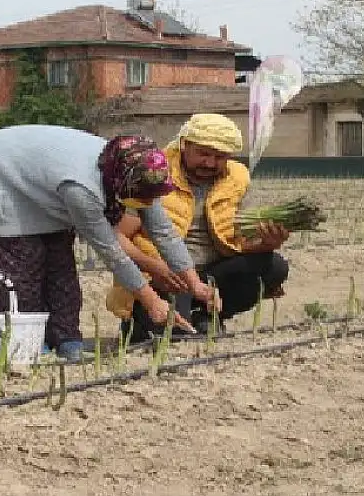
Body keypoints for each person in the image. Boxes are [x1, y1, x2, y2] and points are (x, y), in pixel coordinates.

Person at [0, 124, 219, 361]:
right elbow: (111, 251)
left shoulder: (141, 173)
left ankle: (67, 340)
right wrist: (151, 301)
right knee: (19, 271)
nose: (147, 204)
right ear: (119, 184)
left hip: (45, 179)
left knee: (60, 269)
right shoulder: (82, 189)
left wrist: (195, 284)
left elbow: (163, 231)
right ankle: (29, 345)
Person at [106, 113, 290, 340]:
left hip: (212, 271)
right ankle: (139, 322)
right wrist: (155, 267)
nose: (210, 163)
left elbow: (240, 241)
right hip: (164, 274)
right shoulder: (151, 172)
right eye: (203, 154)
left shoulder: (237, 179)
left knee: (274, 266)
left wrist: (266, 243)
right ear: (184, 145)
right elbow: (117, 237)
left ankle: (206, 315)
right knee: (175, 336)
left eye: (220, 156)